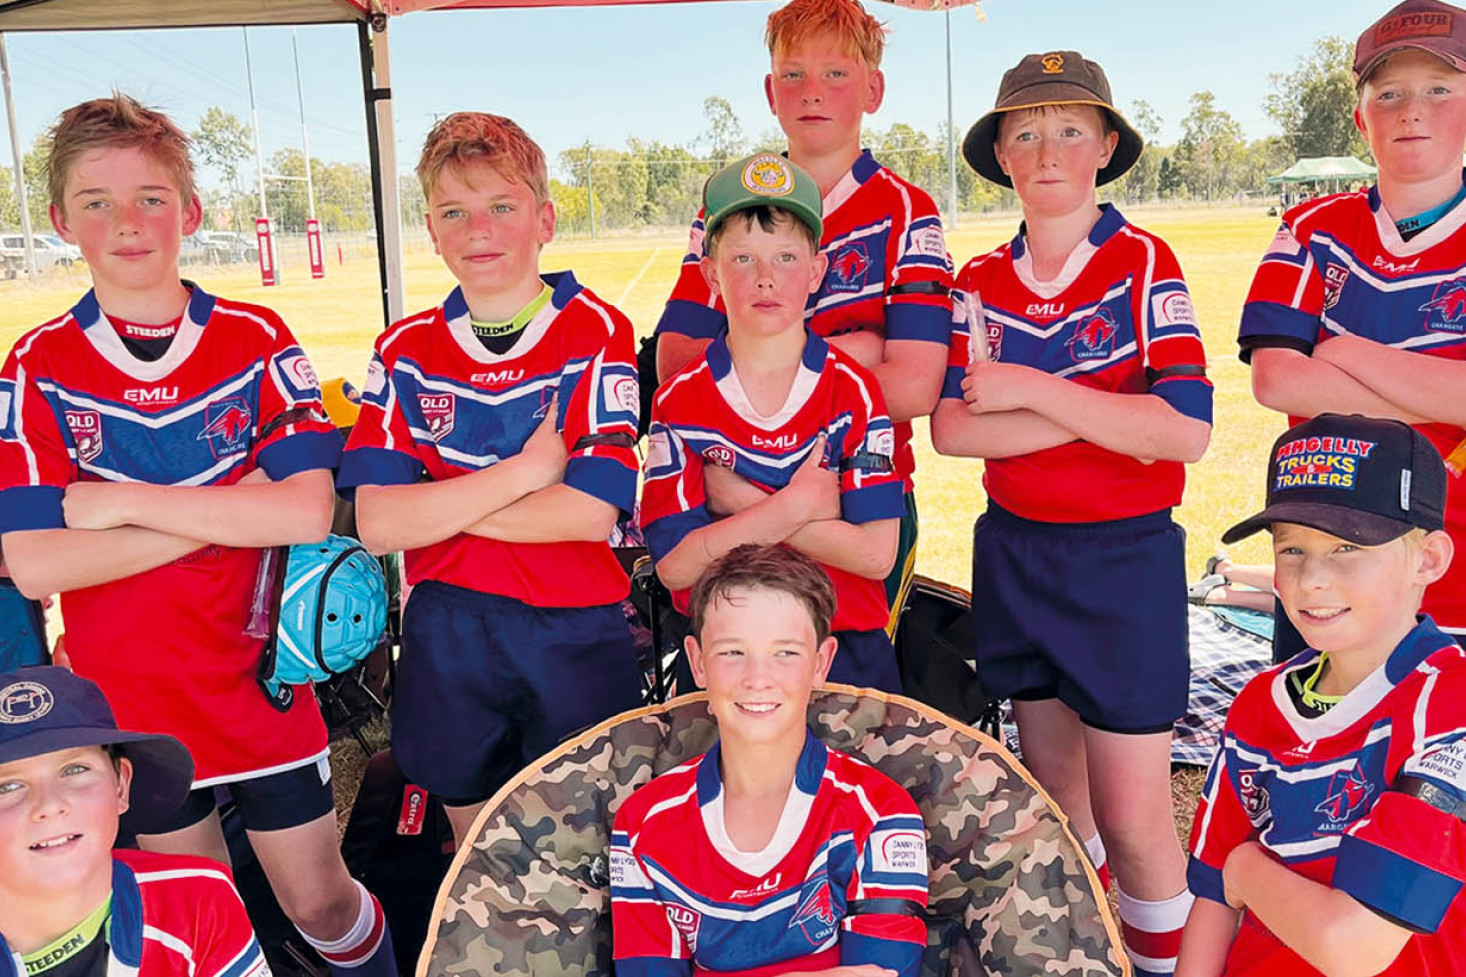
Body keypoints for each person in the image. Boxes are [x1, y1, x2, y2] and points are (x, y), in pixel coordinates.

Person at [0, 96, 394, 977]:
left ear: (193, 210)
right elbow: (32, 559)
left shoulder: (255, 339)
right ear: (61, 220)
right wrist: (226, 504)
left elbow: (301, 510)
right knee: (200, 910)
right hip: (136, 706)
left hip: (260, 684)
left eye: (150, 197)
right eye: (95, 201)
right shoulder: (35, 363)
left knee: (322, 900)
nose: (127, 222)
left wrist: (117, 501)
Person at [930, 52, 1212, 977]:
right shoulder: (976, 277)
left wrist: (1026, 390)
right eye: (1025, 131)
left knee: (1134, 818)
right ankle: (1089, 955)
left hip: (1122, 563)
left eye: (1068, 128)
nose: (1046, 148)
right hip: (1015, 556)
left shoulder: (1141, 263)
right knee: (1057, 801)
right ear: (1001, 154)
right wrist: (1098, 418)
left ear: (1104, 146)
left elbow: (1182, 431)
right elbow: (953, 434)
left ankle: (1166, 967)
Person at [337, 112, 642, 849]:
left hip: (572, 623)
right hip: (448, 630)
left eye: (501, 206)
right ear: (433, 231)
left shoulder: (596, 329)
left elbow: (588, 512)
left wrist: (436, 504)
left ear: (545, 219)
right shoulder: (405, 348)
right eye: (454, 212)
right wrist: (527, 472)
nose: (479, 229)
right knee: (474, 841)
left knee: (587, 839)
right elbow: (377, 523)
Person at [652, 0, 952, 635]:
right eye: (793, 75)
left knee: (848, 688)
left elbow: (918, 385)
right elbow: (676, 364)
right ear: (769, 90)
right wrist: (857, 351)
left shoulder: (906, 211)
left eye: (836, 74)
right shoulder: (729, 202)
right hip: (722, 504)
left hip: (853, 503)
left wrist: (766, 377)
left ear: (873, 88)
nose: (812, 93)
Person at [1178, 413, 1466, 977]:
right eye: (1290, 550)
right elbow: (1212, 898)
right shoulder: (1260, 701)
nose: (1311, 579)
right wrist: (1230, 875)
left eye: (1346, 548)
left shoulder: (1448, 707)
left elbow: (1350, 948)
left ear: (1428, 559)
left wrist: (1246, 871)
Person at [1238, 0, 1466, 661]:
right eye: (1387, 93)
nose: (1410, 110)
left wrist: (1347, 351)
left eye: (1439, 90)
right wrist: (1436, 396)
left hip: (1453, 559)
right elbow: (1277, 377)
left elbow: (1309, 374)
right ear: (1362, 116)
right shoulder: (1310, 229)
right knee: (1318, 743)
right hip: (1324, 557)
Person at [640, 153, 905, 692]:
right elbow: (674, 567)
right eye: (742, 259)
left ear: (816, 272)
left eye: (785, 257)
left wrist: (741, 503)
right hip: (727, 653)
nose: (765, 278)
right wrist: (798, 506)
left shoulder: (851, 390)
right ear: (711, 275)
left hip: (841, 649)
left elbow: (876, 554)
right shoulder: (681, 400)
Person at [610, 544, 928, 977]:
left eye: (786, 653)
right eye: (732, 652)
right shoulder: (642, 824)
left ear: (821, 663)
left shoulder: (879, 813)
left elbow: (886, 973)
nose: (758, 678)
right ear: (697, 663)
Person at [0, 665, 273, 977]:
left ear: (121, 785)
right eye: (7, 786)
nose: (49, 805)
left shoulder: (195, 899)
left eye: (74, 770)